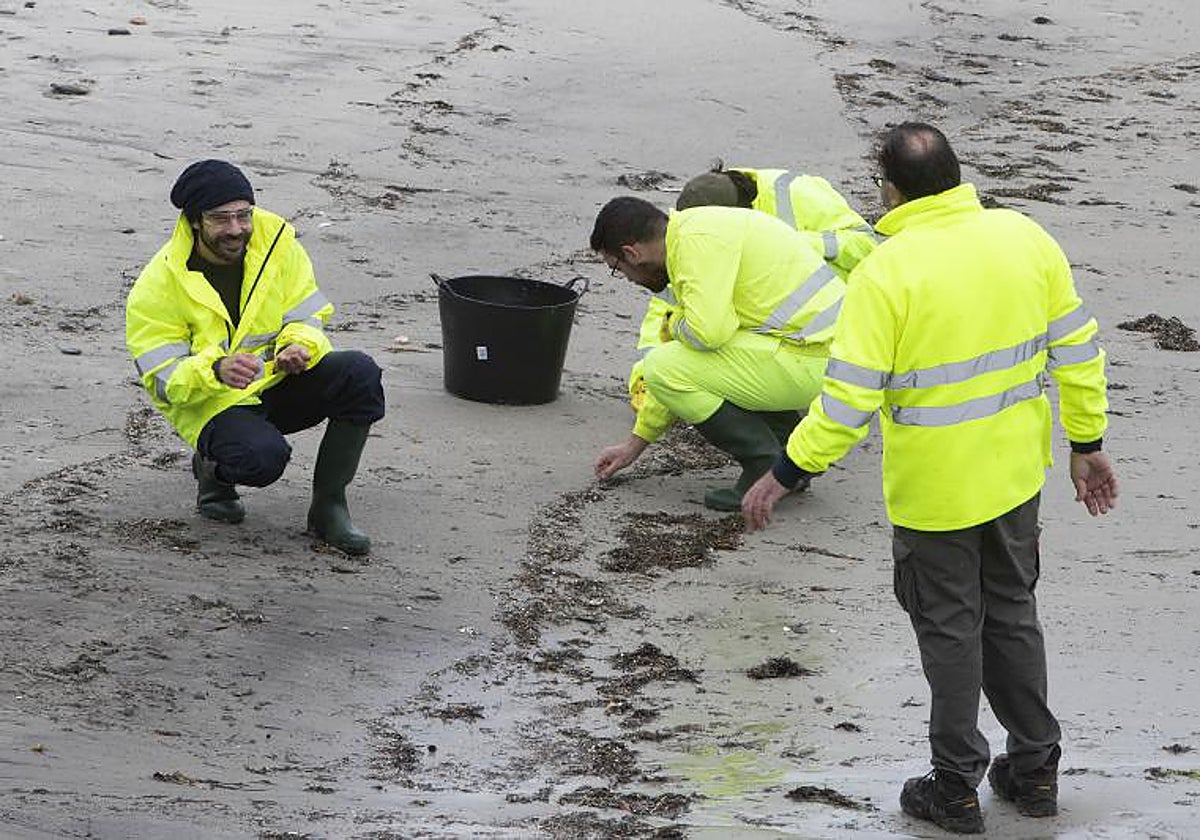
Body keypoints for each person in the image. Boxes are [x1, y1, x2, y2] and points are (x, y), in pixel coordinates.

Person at [742, 123, 1118, 834]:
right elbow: (1078, 349)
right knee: (1011, 613)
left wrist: (788, 469)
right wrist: (1088, 441)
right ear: (955, 172)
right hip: (1014, 478)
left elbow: (849, 400)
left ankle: (954, 787)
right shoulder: (1025, 237)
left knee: (950, 633)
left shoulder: (888, 270)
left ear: (889, 187)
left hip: (934, 495)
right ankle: (1035, 770)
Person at [126, 159, 385, 556]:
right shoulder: (157, 284)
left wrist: (297, 346)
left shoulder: (278, 244)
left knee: (359, 374)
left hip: (277, 381)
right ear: (195, 221)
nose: (236, 229)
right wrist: (214, 369)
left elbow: (305, 312)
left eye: (243, 215)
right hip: (210, 404)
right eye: (220, 219)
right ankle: (212, 471)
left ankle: (329, 506)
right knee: (262, 460)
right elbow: (163, 378)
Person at [590, 196, 844, 510]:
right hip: (827, 354)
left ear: (632, 252)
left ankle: (763, 463)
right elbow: (696, 355)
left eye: (617, 268)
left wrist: (675, 323)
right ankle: (790, 460)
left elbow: (705, 336)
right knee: (687, 362)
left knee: (660, 366)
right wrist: (635, 444)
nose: (627, 279)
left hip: (815, 361)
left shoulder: (695, 250)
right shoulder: (696, 231)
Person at [676, 162, 877, 279]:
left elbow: (866, 246)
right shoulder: (706, 205)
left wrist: (787, 244)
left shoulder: (799, 194)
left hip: (836, 303)